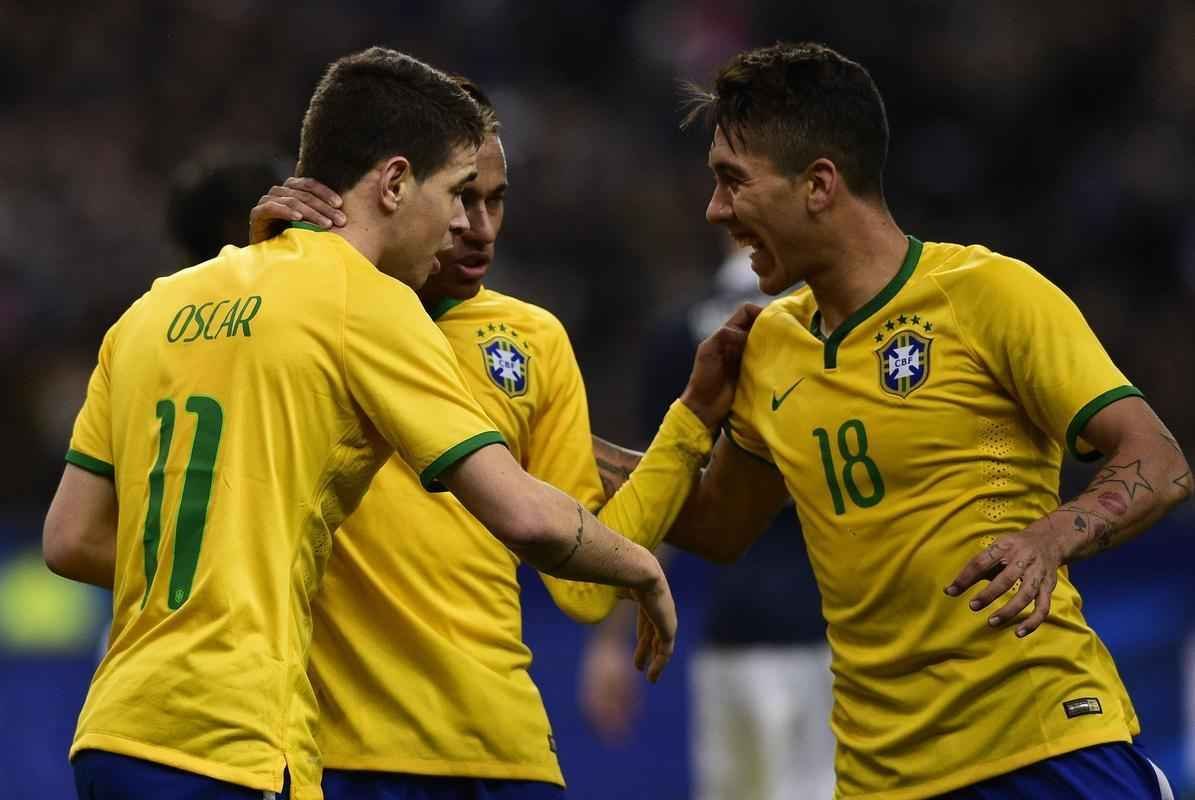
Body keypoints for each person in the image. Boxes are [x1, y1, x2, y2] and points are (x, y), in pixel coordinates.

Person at [41, 48, 682, 800]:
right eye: (452, 192)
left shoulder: (148, 311)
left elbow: (72, 536)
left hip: (115, 730)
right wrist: (640, 566)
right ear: (395, 181)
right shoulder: (365, 303)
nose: (458, 222)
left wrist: (233, 556)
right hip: (239, 739)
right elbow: (521, 513)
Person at [665, 42, 1191, 799]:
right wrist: (538, 447)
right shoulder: (769, 345)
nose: (715, 210)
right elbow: (714, 527)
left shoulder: (987, 294)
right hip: (882, 778)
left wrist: (1049, 537)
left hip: (1041, 748)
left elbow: (1160, 461)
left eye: (731, 182)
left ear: (818, 185)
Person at [249, 79, 750, 800]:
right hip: (344, 756)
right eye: (461, 198)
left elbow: (580, 592)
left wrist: (692, 420)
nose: (479, 225)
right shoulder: (314, 315)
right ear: (401, 190)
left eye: (496, 199)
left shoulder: (531, 337)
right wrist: (266, 263)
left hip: (505, 754)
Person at [580, 243, 836, 800]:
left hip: (734, 637)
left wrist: (609, 642)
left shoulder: (687, 334)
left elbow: (657, 499)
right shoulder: (840, 325)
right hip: (838, 639)